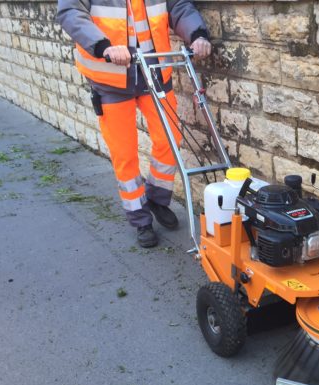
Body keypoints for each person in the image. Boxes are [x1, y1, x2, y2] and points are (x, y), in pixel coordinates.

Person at [56, 0, 212, 248]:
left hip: (155, 71)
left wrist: (197, 34)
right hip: (111, 77)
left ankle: (157, 199)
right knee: (124, 152)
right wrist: (103, 46)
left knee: (170, 139)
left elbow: (178, 6)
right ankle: (140, 219)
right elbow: (71, 12)